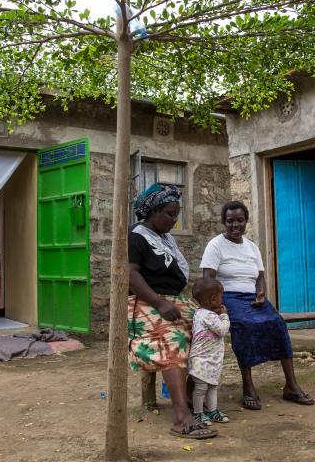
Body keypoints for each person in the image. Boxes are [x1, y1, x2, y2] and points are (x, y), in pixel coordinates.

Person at [201, 200, 314, 410]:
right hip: (228, 297)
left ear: (246, 221)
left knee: (277, 323)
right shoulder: (215, 245)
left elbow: (260, 277)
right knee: (244, 326)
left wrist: (261, 293)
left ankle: (291, 385)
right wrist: (217, 303)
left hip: (252, 297)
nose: (235, 225)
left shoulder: (252, 247)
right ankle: (248, 386)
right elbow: (208, 278)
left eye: (240, 220)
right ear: (223, 222)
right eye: (230, 221)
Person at [127, 183, 217, 440]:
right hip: (144, 304)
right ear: (153, 212)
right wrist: (159, 303)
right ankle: (180, 417)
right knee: (172, 338)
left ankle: (190, 396)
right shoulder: (136, 235)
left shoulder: (166, 238)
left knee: (208, 330)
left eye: (177, 214)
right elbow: (131, 275)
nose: (174, 220)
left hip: (174, 301)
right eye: (169, 214)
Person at [188, 278, 231, 425]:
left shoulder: (201, 313)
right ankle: (198, 414)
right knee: (201, 388)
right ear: (213, 299)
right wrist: (225, 315)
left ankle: (212, 411)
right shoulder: (209, 316)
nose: (222, 300)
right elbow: (222, 329)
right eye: (221, 297)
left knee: (212, 386)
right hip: (203, 360)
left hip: (208, 360)